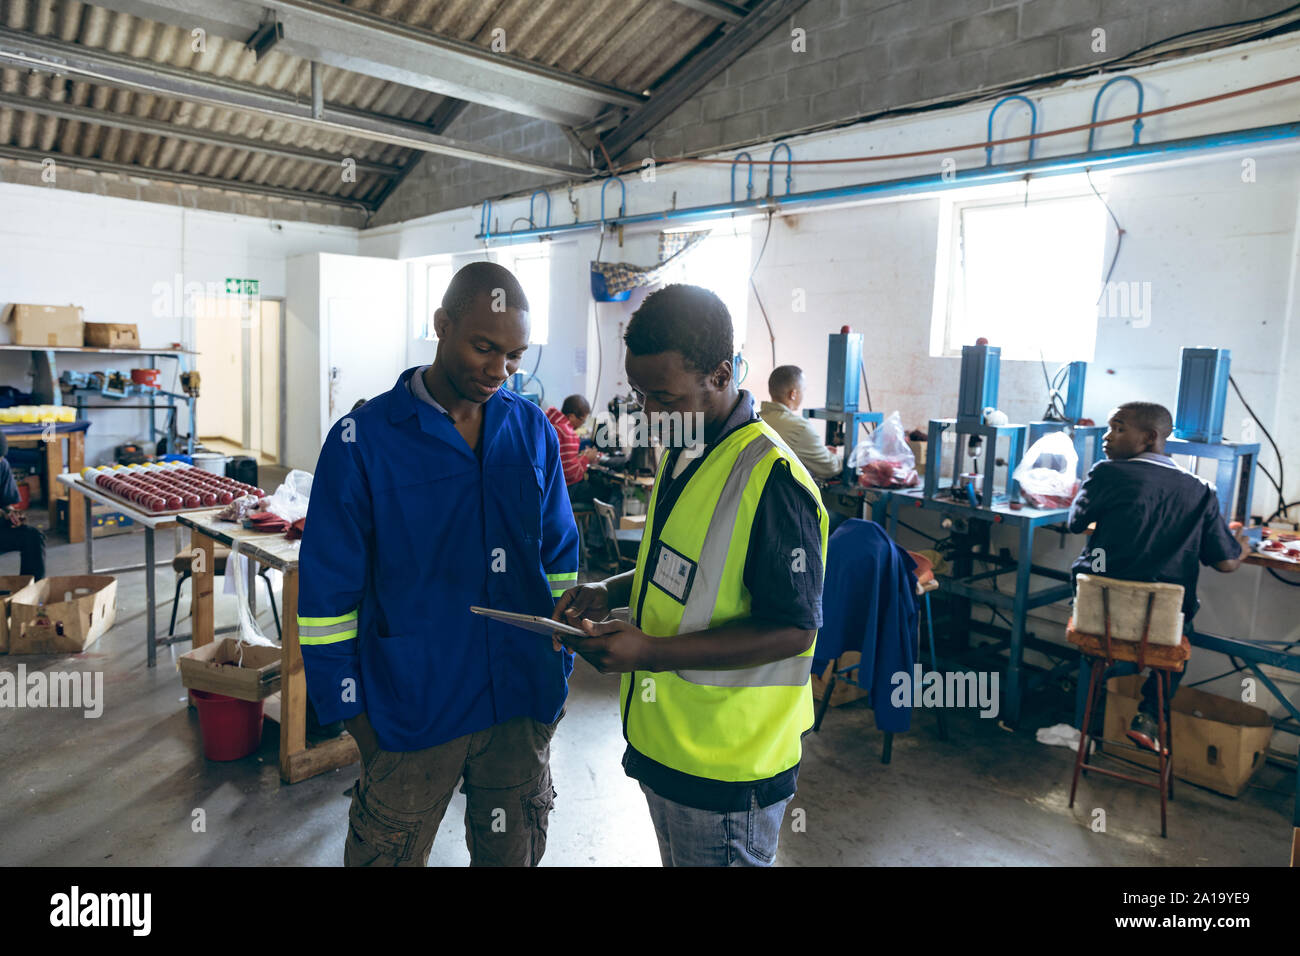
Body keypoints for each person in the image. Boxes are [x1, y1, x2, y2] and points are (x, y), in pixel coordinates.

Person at [298, 261, 580, 867]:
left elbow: (559, 559)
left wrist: (558, 670)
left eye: (514, 356)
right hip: (411, 711)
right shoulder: (364, 440)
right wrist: (353, 716)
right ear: (441, 325)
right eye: (484, 348)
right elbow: (327, 596)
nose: (498, 371)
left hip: (518, 706)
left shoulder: (531, 431)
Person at [552, 284, 828, 867]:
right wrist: (609, 588)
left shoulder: (772, 479)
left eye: (664, 398)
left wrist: (650, 651)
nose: (651, 414)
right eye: (640, 395)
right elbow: (674, 565)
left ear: (721, 375)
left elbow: (795, 630)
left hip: (729, 769)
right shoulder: (687, 449)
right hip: (672, 751)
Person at [1067, 401, 1246, 753]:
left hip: (1098, 619)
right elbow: (1226, 563)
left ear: (1149, 438)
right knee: (1180, 631)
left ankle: (1094, 697)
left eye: (1117, 428)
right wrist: (1241, 544)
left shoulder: (1106, 473)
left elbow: (1075, 522)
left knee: (1094, 564)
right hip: (1160, 630)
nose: (1106, 436)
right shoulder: (1201, 491)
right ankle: (1149, 715)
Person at [758, 365, 842, 481]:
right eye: (803, 390)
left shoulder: (755, 419)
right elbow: (830, 467)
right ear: (793, 394)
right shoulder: (799, 428)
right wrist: (844, 459)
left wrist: (818, 451)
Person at [0, 434, 44, 579]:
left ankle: (31, 593)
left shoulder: (2, 465)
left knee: (32, 537)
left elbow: (6, 504)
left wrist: (12, 513)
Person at [545, 395, 600, 502]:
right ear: (571, 416)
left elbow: (562, 461)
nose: (581, 425)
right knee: (605, 490)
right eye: (582, 420)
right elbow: (570, 473)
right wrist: (586, 459)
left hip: (548, 487)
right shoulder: (567, 432)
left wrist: (579, 457)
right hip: (563, 490)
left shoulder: (550, 423)